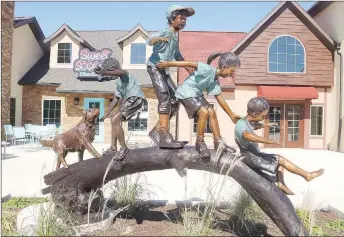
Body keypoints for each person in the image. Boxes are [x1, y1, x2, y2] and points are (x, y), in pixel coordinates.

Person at [156, 52, 242, 159]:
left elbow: (220, 99)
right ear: (224, 67)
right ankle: (200, 143)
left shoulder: (215, 81)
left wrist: (231, 115)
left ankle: (218, 142)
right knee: (204, 112)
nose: (231, 74)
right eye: (232, 71)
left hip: (196, 94)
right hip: (186, 92)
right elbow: (190, 63)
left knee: (211, 111)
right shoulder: (208, 69)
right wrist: (168, 64)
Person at [234, 97, 324, 195]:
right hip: (251, 157)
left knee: (279, 166)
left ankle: (281, 184)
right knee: (280, 160)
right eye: (263, 116)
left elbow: (256, 126)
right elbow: (247, 135)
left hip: (253, 155)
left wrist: (271, 124)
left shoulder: (246, 123)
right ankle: (307, 175)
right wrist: (266, 140)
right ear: (255, 114)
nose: (264, 118)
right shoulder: (241, 125)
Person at [146, 5, 195, 149]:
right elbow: (149, 40)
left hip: (164, 71)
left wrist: (189, 69)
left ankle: (156, 132)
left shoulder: (174, 36)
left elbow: (178, 56)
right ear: (172, 18)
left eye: (185, 19)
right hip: (155, 67)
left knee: (176, 99)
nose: (183, 21)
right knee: (165, 97)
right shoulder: (166, 32)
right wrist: (160, 39)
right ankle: (164, 136)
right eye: (181, 18)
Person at [94, 58, 147, 161]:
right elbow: (116, 99)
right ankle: (113, 147)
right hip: (130, 100)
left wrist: (103, 72)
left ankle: (124, 148)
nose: (110, 75)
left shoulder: (124, 74)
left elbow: (121, 72)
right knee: (113, 119)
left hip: (135, 98)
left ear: (114, 69)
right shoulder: (118, 83)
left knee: (115, 120)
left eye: (110, 72)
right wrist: (106, 114)